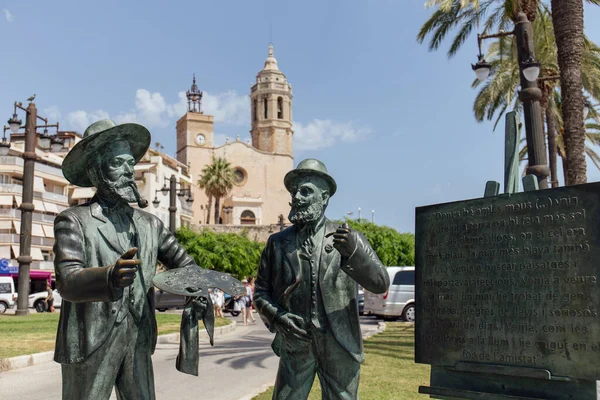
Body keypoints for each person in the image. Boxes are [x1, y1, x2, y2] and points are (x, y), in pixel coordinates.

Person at [53, 119, 213, 400]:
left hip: (138, 338)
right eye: (118, 163)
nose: (129, 172)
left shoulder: (150, 225)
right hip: (90, 340)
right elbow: (67, 281)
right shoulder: (74, 221)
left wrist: (197, 287)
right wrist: (109, 277)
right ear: (96, 170)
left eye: (131, 164)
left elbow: (185, 265)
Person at [254, 158, 389, 400]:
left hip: (339, 343)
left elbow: (380, 283)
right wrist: (278, 317)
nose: (297, 197)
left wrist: (354, 253)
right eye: (295, 191)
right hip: (295, 343)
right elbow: (260, 292)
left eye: (306, 191)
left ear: (324, 197)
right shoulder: (277, 244)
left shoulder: (347, 238)